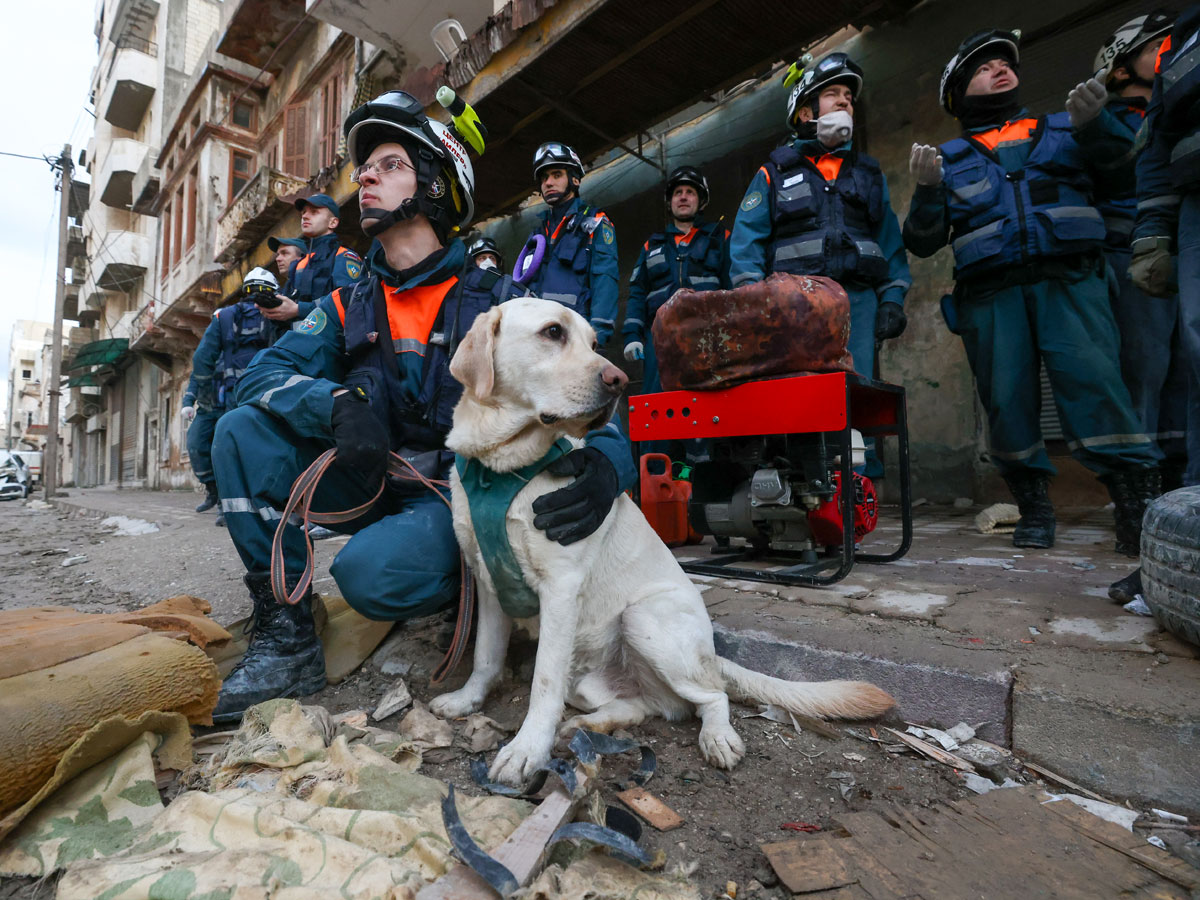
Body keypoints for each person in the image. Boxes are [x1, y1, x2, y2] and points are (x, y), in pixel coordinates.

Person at [208, 91, 636, 723]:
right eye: (367, 166)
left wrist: (609, 463)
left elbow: (577, 382)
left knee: (371, 578)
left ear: (434, 186)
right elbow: (263, 374)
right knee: (239, 431)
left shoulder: (501, 304)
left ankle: (467, 574)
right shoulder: (348, 302)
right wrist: (329, 404)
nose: (367, 177)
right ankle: (287, 636)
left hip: (458, 497)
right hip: (372, 476)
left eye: (388, 163)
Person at [904, 28, 1162, 561]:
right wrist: (927, 192)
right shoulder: (948, 159)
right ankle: (1034, 508)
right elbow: (923, 242)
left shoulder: (1069, 127)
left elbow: (1125, 181)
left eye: (1004, 62)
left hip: (1069, 282)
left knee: (1096, 387)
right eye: (982, 67)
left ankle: (1135, 507)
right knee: (1007, 403)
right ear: (957, 94)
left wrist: (1099, 131)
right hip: (991, 296)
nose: (1000, 68)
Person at [729, 52, 911, 478]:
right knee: (798, 395)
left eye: (849, 96)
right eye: (833, 94)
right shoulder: (775, 170)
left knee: (856, 391)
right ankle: (801, 485)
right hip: (794, 305)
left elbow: (890, 242)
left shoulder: (867, 173)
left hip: (857, 302)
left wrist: (894, 297)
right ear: (806, 111)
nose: (846, 101)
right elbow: (746, 239)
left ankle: (855, 492)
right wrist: (752, 297)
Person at [1095, 12, 1192, 496]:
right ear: (1119, 69)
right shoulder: (1106, 122)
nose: (1172, 50)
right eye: (1158, 45)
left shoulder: (1181, 108)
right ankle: (1140, 488)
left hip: (1184, 243)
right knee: (1145, 369)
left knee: (1185, 366)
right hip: (1131, 255)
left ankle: (1181, 481)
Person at [623, 165, 730, 464]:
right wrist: (632, 336)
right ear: (670, 201)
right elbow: (636, 293)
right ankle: (656, 478)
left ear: (701, 201)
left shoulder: (720, 237)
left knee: (709, 410)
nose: (683, 198)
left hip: (708, 340)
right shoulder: (652, 245)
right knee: (658, 411)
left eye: (690, 192)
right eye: (678, 193)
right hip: (660, 343)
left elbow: (734, 287)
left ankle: (708, 481)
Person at [181, 268, 278, 523]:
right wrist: (194, 398)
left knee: (237, 448)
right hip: (221, 398)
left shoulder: (276, 316)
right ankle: (219, 494)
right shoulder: (224, 320)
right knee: (206, 444)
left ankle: (237, 504)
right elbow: (201, 363)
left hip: (253, 394)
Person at [514, 142, 619, 347]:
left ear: (575, 179)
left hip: (575, 339)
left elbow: (605, 278)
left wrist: (597, 336)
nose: (548, 183)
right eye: (544, 178)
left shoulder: (595, 222)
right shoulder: (537, 234)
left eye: (556, 175)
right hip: (538, 340)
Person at [276, 194, 365, 322]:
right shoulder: (300, 263)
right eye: (304, 212)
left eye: (314, 212)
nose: (305, 216)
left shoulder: (343, 255)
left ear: (333, 222)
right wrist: (274, 310)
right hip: (301, 339)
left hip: (334, 339)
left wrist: (299, 310)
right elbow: (290, 306)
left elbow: (349, 299)